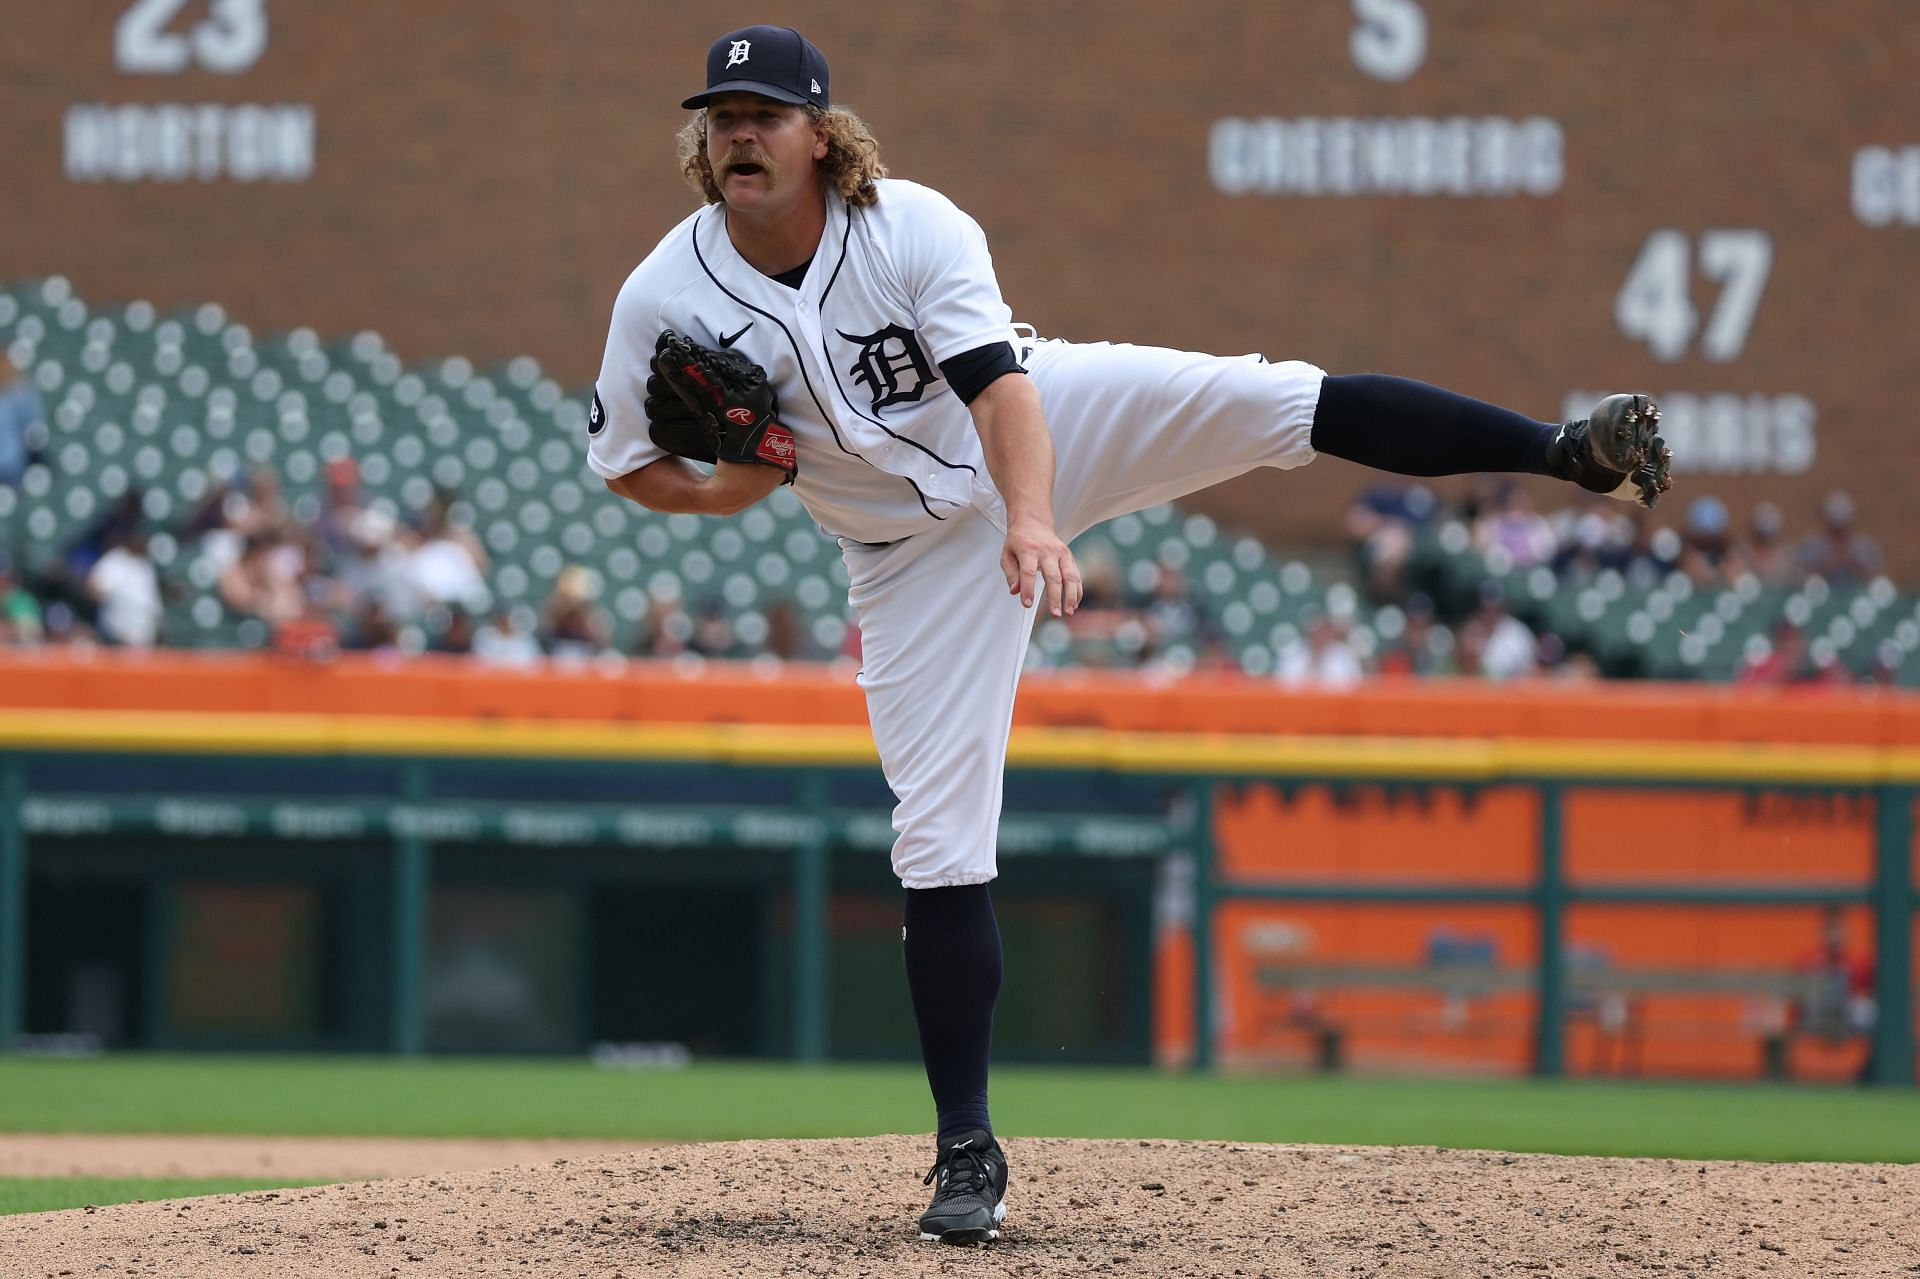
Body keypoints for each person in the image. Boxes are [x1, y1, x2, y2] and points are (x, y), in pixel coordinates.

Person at [586, 25, 1675, 1246]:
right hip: (906, 555)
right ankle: (966, 1152)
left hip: (1048, 426)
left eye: (767, 113)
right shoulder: (664, 293)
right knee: (939, 838)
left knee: (1274, 400)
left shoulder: (913, 229)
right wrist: (730, 487)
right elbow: (628, 462)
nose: (742, 132)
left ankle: (1565, 453)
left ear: (821, 135)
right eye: (723, 115)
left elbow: (1003, 392)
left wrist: (1038, 520)